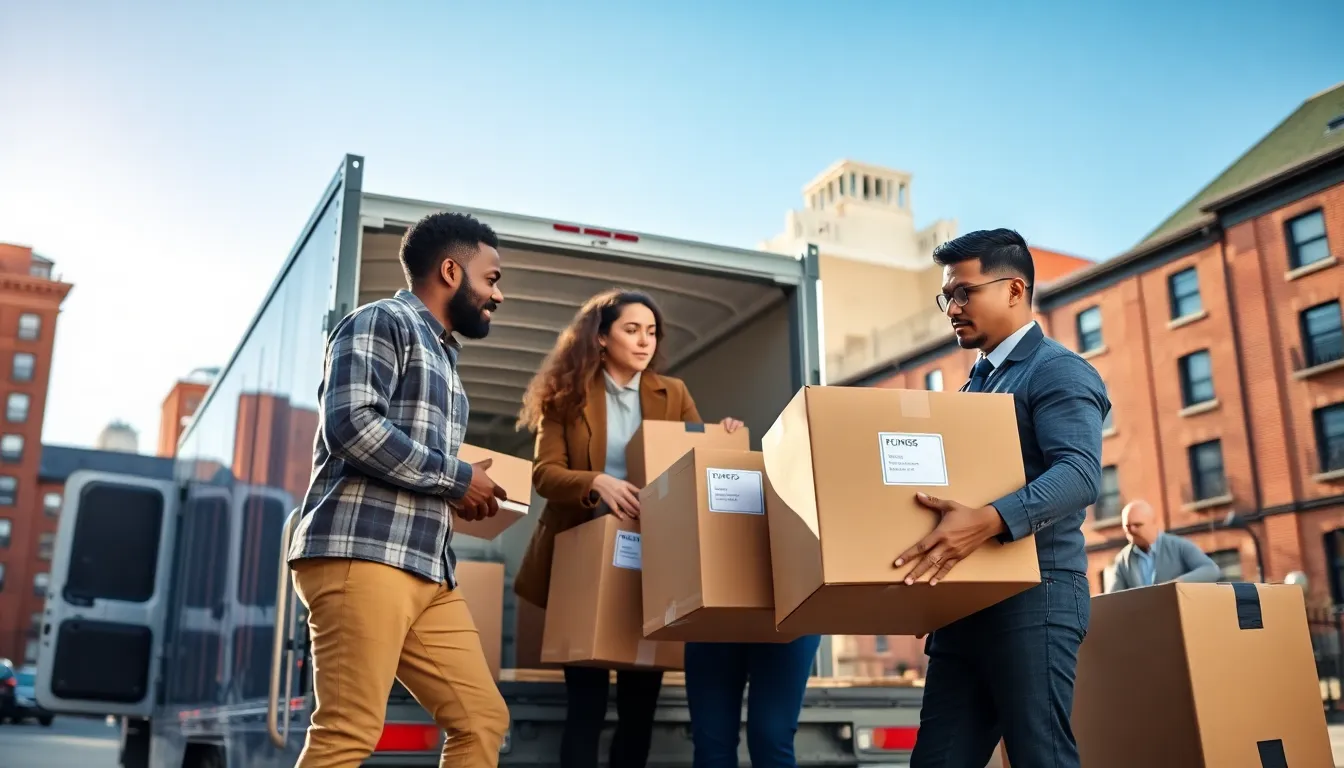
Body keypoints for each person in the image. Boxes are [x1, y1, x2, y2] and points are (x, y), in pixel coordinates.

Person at [286, 211, 511, 768]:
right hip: (363, 554)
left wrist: (462, 492)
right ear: (451, 271)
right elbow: (351, 425)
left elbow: (415, 462)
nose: (498, 295)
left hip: (428, 570)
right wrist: (458, 478)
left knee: (482, 720)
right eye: (491, 279)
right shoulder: (381, 321)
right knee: (348, 730)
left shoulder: (445, 358)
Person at [893, 229, 1110, 768]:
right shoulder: (974, 387)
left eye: (964, 292)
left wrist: (987, 521)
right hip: (966, 605)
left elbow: (1079, 475)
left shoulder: (1058, 369)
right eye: (947, 296)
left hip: (1037, 596)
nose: (952, 308)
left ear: (1014, 290)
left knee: (1041, 757)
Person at [513, 289, 743, 768]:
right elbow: (544, 474)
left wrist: (722, 436)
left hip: (652, 562)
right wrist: (596, 481)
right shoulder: (566, 396)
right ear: (601, 337)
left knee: (640, 709)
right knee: (587, 706)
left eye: (651, 332)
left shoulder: (673, 393)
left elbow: (696, 463)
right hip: (584, 558)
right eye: (632, 330)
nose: (644, 342)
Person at [1106, 500, 1222, 591]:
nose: (1132, 530)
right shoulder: (1122, 560)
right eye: (1127, 526)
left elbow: (1211, 570)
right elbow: (1112, 598)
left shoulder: (1178, 546)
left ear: (1154, 523)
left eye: (1137, 525)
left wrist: (1176, 584)